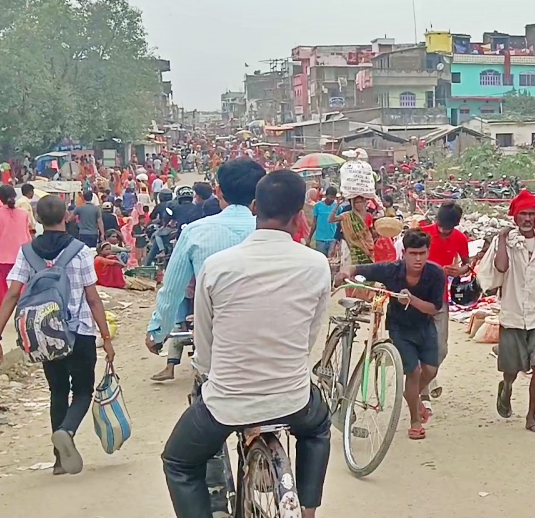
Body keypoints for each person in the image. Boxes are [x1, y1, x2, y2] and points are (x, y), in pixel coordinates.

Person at [161, 170, 332, 518]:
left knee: (178, 461)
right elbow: (311, 336)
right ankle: (308, 510)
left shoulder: (217, 266)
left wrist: (208, 375)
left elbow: (205, 347)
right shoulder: (317, 265)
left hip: (228, 403)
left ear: (254, 207)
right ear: (300, 216)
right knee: (318, 430)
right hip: (292, 398)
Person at [0, 195, 115, 475]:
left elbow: (11, 295)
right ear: (66, 217)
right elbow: (92, 298)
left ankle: (59, 461)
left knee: (57, 391)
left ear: (38, 219)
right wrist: (105, 337)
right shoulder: (80, 250)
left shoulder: (27, 252)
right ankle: (67, 431)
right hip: (78, 331)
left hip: (44, 333)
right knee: (82, 391)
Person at [147, 159, 265, 384]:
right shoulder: (273, 230)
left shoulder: (195, 232)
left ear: (219, 191)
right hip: (269, 348)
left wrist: (157, 331)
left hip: (215, 347)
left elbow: (172, 291)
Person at [339, 229, 444, 440]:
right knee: (413, 372)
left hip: (425, 326)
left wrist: (411, 299)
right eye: (413, 253)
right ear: (404, 253)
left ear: (428, 253)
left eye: (422, 253)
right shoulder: (391, 270)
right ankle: (415, 421)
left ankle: (411, 395)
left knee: (431, 370)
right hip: (399, 328)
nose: (418, 259)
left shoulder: (436, 274)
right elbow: (359, 268)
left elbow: (434, 308)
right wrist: (344, 273)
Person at [477, 189, 535, 434]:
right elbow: (501, 267)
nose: (527, 219)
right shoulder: (505, 242)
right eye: (523, 214)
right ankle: (506, 387)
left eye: (531, 214)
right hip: (512, 316)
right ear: (515, 217)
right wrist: (503, 239)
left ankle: (531, 416)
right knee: (512, 369)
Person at [419, 201, 471, 404]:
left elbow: (467, 263)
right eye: (440, 227)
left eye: (447, 229)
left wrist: (461, 270)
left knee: (441, 348)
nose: (442, 231)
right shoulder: (422, 234)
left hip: (441, 299)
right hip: (418, 297)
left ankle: (426, 379)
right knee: (419, 343)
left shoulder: (460, 238)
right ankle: (423, 391)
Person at [0, 185, 33, 315]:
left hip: (1, 258)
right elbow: (28, 237)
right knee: (23, 286)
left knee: (1, 289)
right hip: (22, 256)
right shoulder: (23, 214)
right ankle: (24, 312)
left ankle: (1, 314)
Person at [331, 195, 375, 265]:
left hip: (367, 248)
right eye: (356, 202)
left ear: (364, 203)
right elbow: (331, 219)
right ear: (353, 204)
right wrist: (337, 205)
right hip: (352, 247)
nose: (359, 204)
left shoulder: (368, 215)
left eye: (360, 202)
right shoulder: (347, 215)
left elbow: (370, 232)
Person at [309, 187, 339, 255]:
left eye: (333, 197)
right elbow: (314, 223)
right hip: (320, 239)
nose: (332, 199)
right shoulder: (318, 206)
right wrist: (309, 237)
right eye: (330, 197)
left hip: (332, 239)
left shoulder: (337, 207)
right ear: (326, 196)